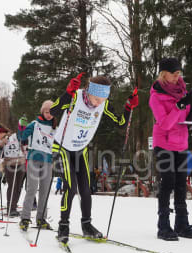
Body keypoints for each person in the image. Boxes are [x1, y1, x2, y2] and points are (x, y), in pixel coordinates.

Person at [50, 73, 138, 243]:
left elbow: (120, 123)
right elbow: (53, 111)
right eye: (96, 98)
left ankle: (87, 225)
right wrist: (68, 93)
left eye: (102, 99)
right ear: (88, 91)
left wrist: (128, 107)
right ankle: (63, 226)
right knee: (71, 187)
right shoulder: (76, 97)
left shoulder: (102, 105)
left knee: (86, 188)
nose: (98, 103)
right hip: (62, 147)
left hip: (80, 149)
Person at [149, 57, 192, 241]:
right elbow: (165, 123)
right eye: (174, 73)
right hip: (164, 143)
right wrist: (179, 106)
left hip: (182, 143)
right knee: (168, 182)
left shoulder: (182, 90)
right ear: (164, 74)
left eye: (179, 72)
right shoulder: (156, 96)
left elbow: (186, 118)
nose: (178, 76)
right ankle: (163, 226)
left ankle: (182, 224)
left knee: (180, 183)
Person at [19, 100, 57, 231]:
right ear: (42, 111)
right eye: (46, 112)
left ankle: (41, 219)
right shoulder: (35, 124)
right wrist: (22, 129)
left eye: (51, 113)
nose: (49, 115)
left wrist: (57, 153)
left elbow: (57, 143)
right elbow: (22, 136)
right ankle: (25, 218)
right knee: (32, 189)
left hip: (48, 161)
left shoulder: (54, 127)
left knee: (45, 191)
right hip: (34, 159)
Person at [3, 124, 26, 217]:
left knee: (18, 186)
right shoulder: (10, 137)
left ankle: (14, 207)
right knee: (12, 186)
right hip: (10, 164)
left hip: (20, 164)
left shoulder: (26, 139)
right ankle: (10, 208)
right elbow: (0, 146)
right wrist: (2, 142)